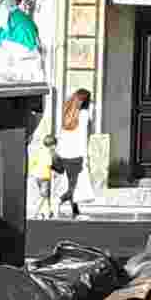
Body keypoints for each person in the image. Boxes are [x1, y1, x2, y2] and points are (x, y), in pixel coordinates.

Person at [54, 88, 92, 218]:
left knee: (71, 183)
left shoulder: (67, 113)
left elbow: (62, 135)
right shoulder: (84, 114)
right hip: (77, 155)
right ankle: (58, 201)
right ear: (85, 102)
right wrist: (86, 156)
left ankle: (75, 211)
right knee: (74, 186)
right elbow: (83, 137)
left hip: (65, 154)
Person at [30, 134, 57, 219]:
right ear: (52, 145)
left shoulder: (39, 151)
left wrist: (32, 172)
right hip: (45, 177)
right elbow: (49, 164)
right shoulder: (48, 153)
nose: (55, 147)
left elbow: (33, 162)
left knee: (46, 196)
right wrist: (54, 174)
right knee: (43, 196)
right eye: (55, 145)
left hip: (37, 176)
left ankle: (47, 212)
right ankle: (35, 213)